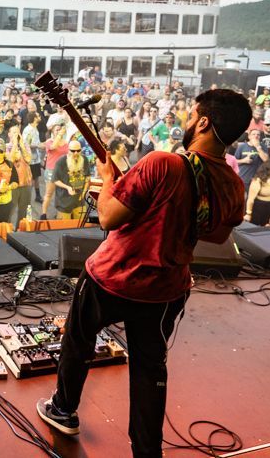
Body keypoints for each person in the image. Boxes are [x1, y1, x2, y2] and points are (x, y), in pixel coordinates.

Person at [37, 89, 252, 458]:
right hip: (166, 289)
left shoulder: (161, 163)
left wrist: (108, 179)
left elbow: (108, 217)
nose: (185, 121)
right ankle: (147, 451)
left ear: (203, 122)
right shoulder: (233, 184)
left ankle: (63, 409)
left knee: (79, 341)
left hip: (111, 278)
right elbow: (216, 234)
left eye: (191, 115)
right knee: (149, 368)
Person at [53, 141, 90, 220]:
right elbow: (55, 180)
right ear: (68, 150)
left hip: (79, 201)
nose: (76, 153)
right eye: (73, 151)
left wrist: (84, 192)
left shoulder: (84, 159)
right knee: (65, 229)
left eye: (78, 150)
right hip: (64, 202)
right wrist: (68, 187)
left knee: (81, 226)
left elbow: (87, 177)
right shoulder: (61, 161)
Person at [245, 160, 270, 227]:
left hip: (269, 207)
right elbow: (250, 199)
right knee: (253, 230)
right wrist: (248, 214)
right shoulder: (258, 180)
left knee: (267, 231)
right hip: (257, 207)